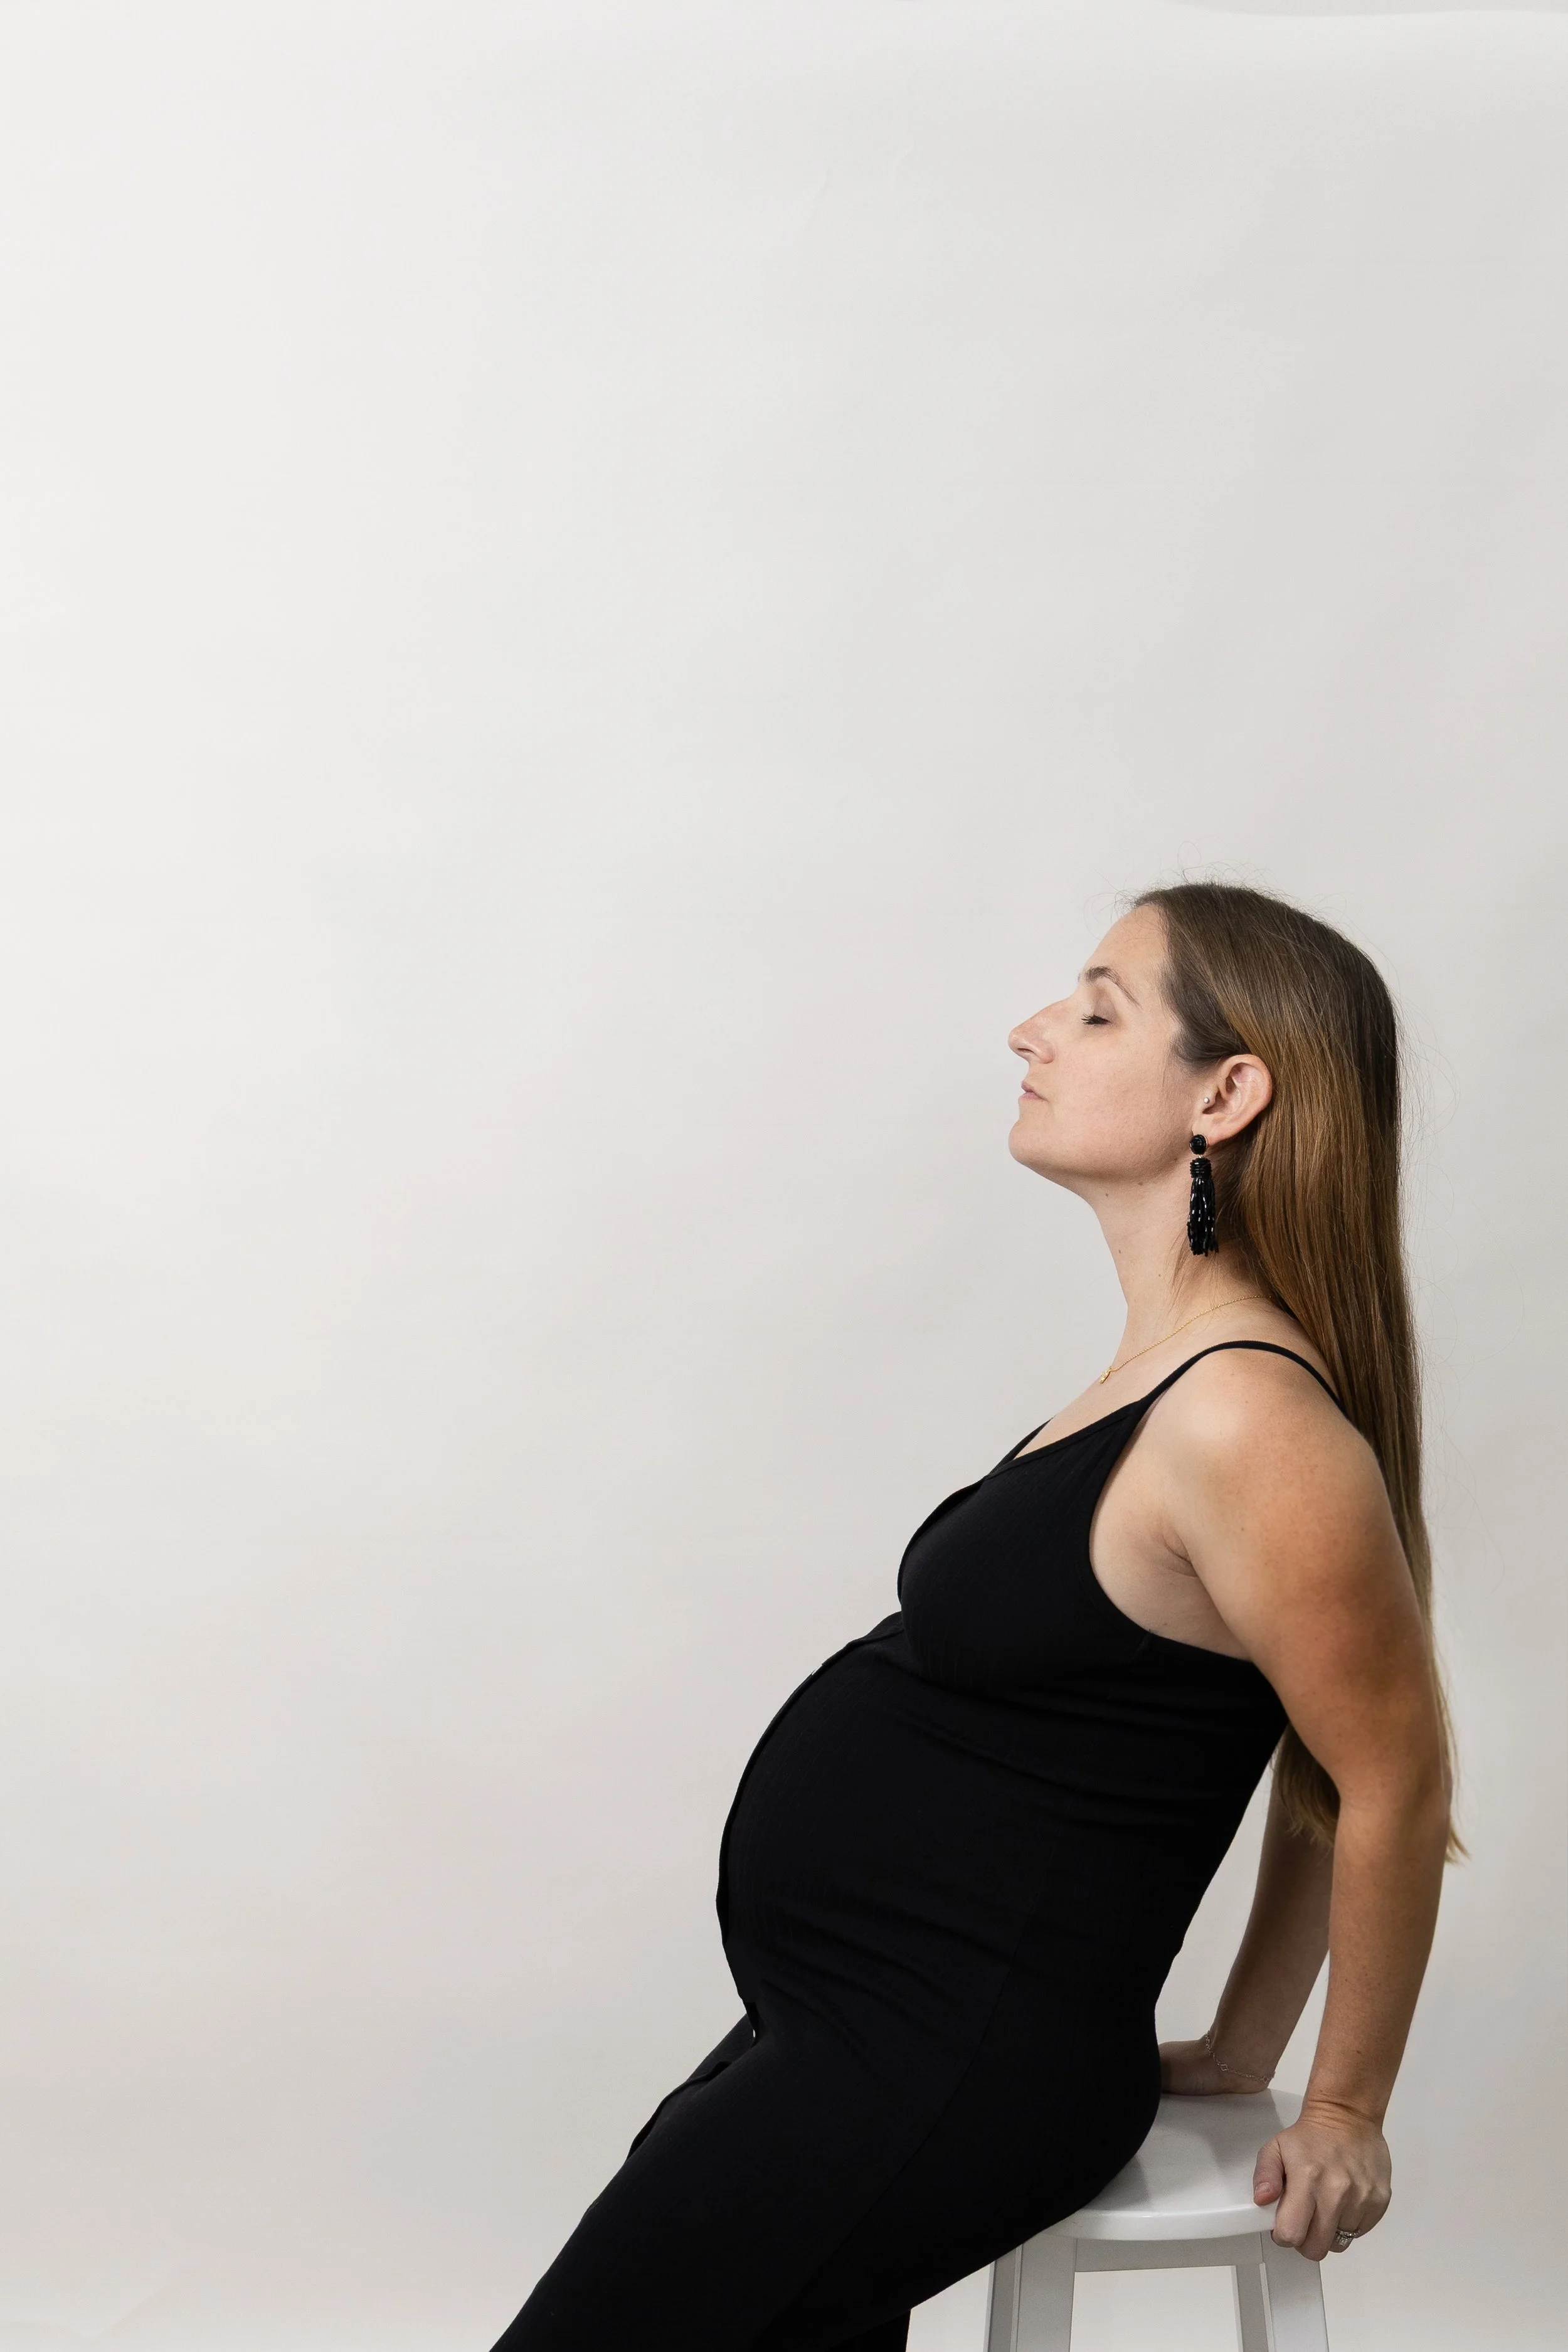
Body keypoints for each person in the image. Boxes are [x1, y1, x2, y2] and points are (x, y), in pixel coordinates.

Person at [490, 880, 1456, 2352]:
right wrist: (1243, 2037)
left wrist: (1338, 2103)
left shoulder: (1247, 1419)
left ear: (1227, 1091)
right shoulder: (1164, 1382)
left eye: (1093, 1006)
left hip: (943, 2056)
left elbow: (1382, 1774)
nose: (1030, 1032)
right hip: (867, 2031)